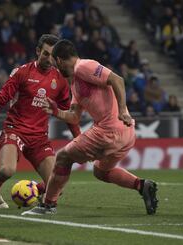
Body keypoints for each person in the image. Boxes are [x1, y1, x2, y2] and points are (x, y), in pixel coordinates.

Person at [23, 39, 158, 216]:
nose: (55, 68)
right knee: (101, 171)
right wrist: (56, 111)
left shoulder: (84, 66)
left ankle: (48, 205)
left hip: (109, 131)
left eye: (55, 63)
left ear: (60, 60)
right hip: (126, 134)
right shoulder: (75, 83)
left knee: (63, 157)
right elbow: (74, 117)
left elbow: (117, 80)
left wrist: (123, 110)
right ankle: (142, 185)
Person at [0, 34, 81, 208]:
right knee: (7, 170)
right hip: (15, 129)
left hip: (39, 138)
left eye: (52, 56)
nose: (49, 59)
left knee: (57, 184)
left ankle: (33, 189)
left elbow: (67, 114)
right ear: (37, 51)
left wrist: (79, 140)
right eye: (45, 54)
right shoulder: (22, 72)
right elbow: (0, 99)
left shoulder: (61, 81)